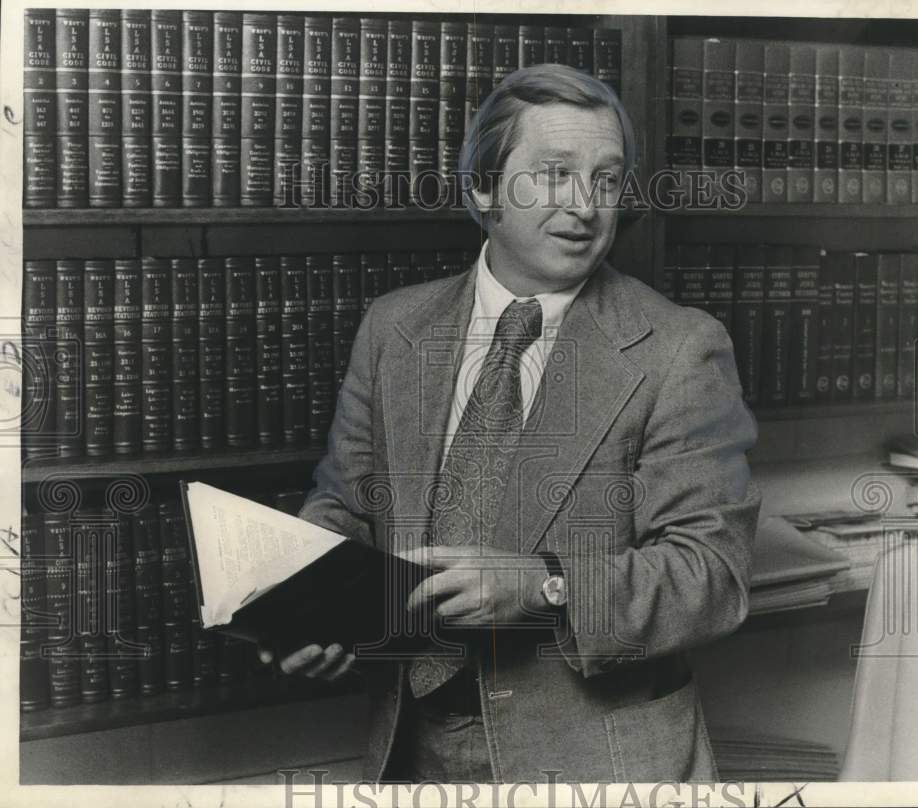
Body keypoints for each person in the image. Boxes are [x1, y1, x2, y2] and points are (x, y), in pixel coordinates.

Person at [261, 63, 761, 784]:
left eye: (608, 179)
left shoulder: (680, 346)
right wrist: (311, 607)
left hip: (598, 763)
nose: (586, 206)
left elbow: (711, 577)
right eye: (555, 174)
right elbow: (348, 503)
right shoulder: (395, 326)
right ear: (482, 189)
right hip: (410, 747)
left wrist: (544, 587)